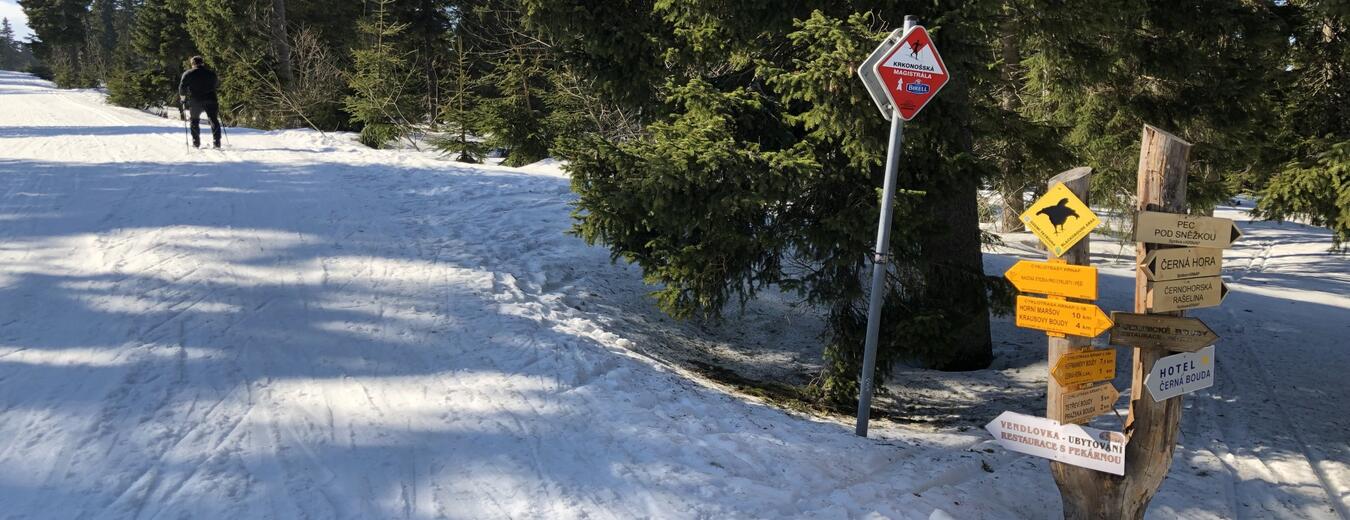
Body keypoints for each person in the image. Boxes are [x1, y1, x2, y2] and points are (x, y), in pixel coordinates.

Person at [178, 56, 221, 148]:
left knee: (194, 120)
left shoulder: (188, 73)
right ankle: (217, 142)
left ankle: (196, 142)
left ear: (193, 64)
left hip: (195, 100)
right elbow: (216, 84)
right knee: (213, 119)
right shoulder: (211, 73)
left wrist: (183, 99)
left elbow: (182, 88)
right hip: (211, 98)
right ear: (202, 63)